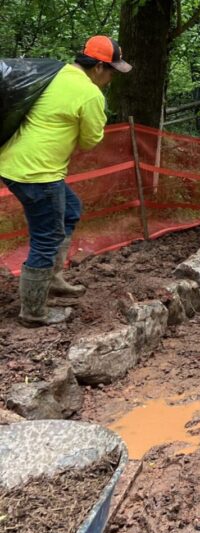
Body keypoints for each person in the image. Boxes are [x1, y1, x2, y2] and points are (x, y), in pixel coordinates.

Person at [0, 36, 132, 327]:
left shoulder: (56, 73)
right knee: (46, 239)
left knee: (70, 210)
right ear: (98, 67)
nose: (111, 78)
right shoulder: (90, 94)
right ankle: (33, 312)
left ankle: (54, 277)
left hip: (13, 164)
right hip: (38, 173)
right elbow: (90, 140)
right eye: (111, 71)